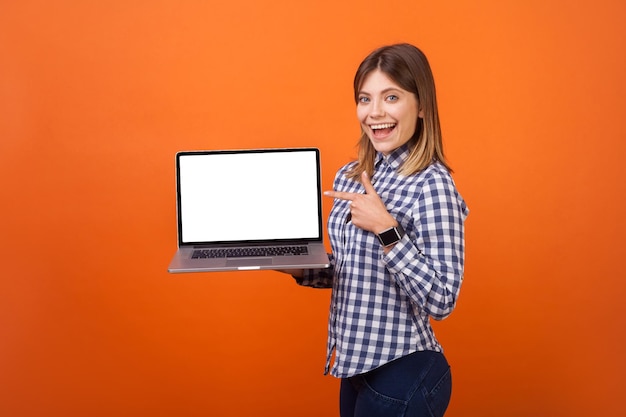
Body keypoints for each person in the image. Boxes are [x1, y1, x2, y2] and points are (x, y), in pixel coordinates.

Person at [283, 43, 469, 417]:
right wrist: (301, 266)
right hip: (355, 367)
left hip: (403, 371)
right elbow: (355, 271)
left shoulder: (431, 185)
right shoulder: (351, 176)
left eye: (391, 97)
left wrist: (387, 230)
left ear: (421, 106)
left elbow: (443, 300)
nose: (375, 112)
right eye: (365, 99)